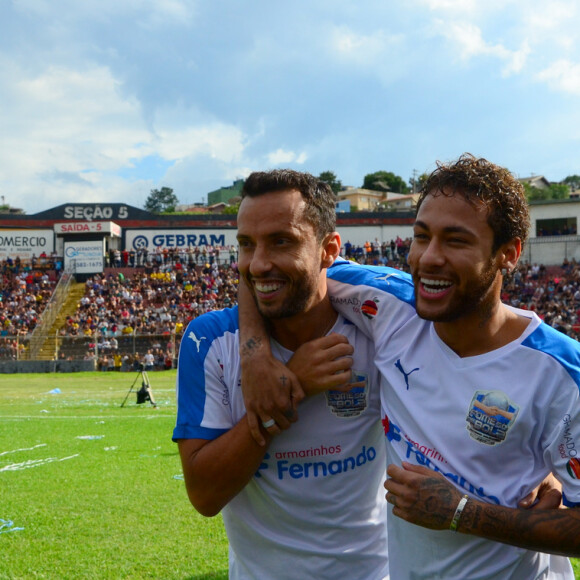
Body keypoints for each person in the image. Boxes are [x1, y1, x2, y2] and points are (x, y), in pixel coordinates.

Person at [241, 155, 580, 578]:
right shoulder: (390, 306)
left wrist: (462, 513)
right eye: (421, 237)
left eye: (455, 240)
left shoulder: (563, 373)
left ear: (508, 254)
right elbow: (264, 267)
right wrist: (254, 354)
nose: (428, 258)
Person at [173, 169, 390, 579]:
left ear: (329, 250)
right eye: (246, 244)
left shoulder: (378, 330)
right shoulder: (211, 341)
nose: (258, 264)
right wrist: (294, 385)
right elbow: (204, 494)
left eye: (281, 241)